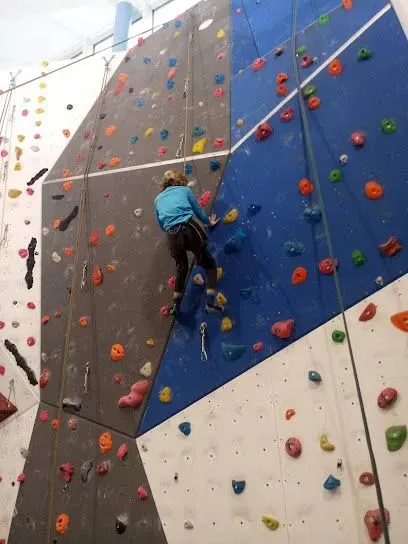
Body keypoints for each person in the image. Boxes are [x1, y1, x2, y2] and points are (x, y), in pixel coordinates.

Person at [154, 170, 223, 316]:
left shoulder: (157, 199)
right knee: (210, 265)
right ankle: (210, 304)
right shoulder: (184, 190)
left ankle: (175, 306)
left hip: (171, 236)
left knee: (182, 268)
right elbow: (198, 211)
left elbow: (161, 224)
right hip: (189, 229)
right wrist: (208, 222)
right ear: (179, 180)